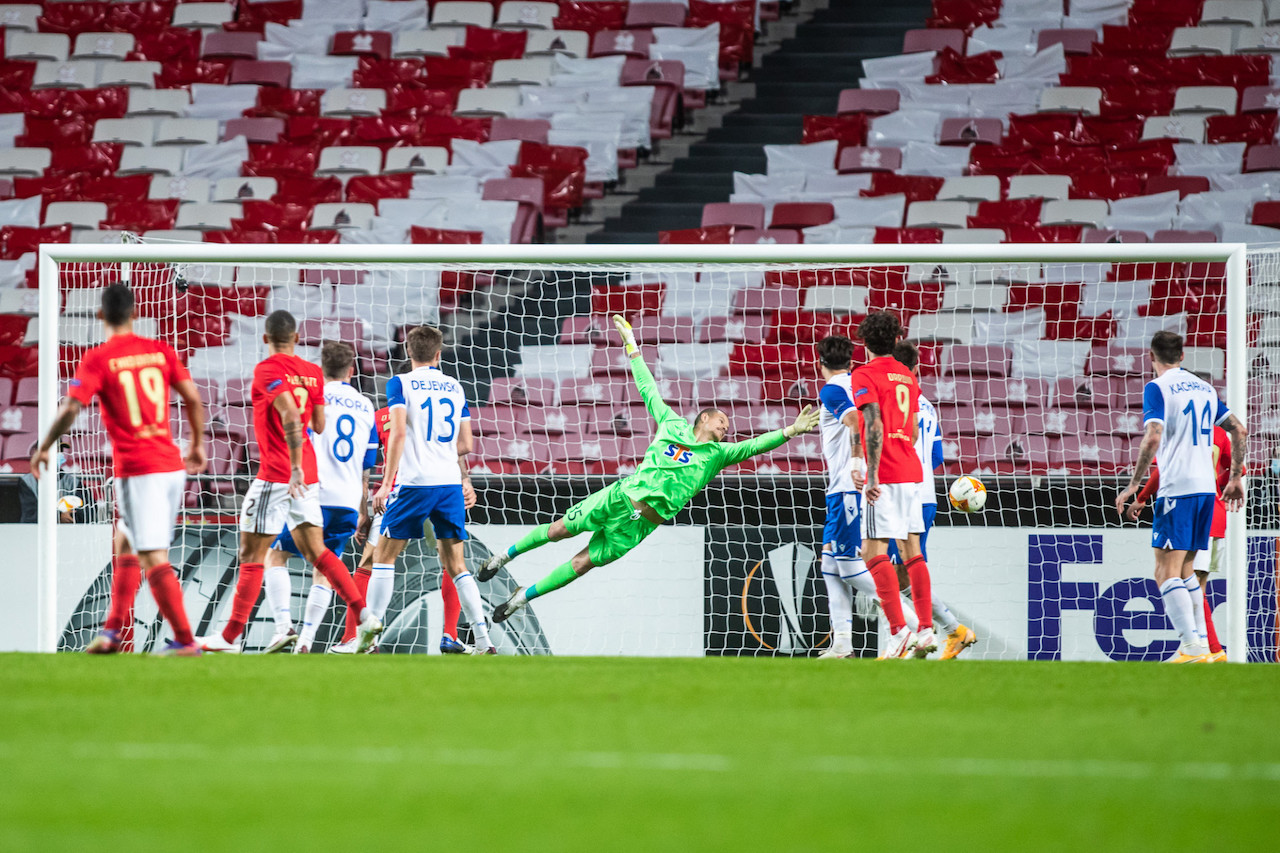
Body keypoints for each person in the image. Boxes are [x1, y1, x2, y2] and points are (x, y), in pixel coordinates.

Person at [477, 315, 820, 623]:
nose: (726, 427)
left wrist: (790, 431)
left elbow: (754, 445)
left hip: (641, 525)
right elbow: (647, 388)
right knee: (558, 531)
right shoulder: (671, 423)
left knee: (581, 564)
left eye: (727, 425)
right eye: (721, 420)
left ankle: (522, 597)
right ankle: (502, 557)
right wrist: (632, 346)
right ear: (703, 417)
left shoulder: (717, 454)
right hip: (620, 496)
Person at [31, 282, 206, 655]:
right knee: (125, 541)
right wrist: (196, 445)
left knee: (152, 554)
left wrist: (45, 446)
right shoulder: (160, 350)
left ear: (99, 315)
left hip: (139, 467)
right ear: (136, 313)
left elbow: (71, 408)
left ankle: (186, 640)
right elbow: (192, 398)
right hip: (170, 463)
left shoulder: (99, 358)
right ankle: (112, 633)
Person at [197, 311, 381, 653]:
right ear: (296, 338)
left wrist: (294, 464)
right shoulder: (313, 375)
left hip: (278, 474)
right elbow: (320, 424)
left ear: (266, 339)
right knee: (320, 554)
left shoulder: (267, 369)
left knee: (254, 553)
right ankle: (364, 616)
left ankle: (231, 638)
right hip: (314, 480)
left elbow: (292, 417)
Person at [1116, 331, 1246, 663]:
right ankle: (1204, 647)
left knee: (1164, 571)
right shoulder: (1205, 388)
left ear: (1151, 356)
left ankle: (1190, 648)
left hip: (1178, 488)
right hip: (1207, 491)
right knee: (1187, 569)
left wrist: (1133, 484)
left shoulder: (1156, 388)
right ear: (1183, 356)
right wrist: (1234, 478)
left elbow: (1153, 436)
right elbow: (1239, 430)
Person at [368, 326, 491, 653]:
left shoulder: (400, 383)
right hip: (449, 483)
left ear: (408, 352)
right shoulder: (454, 386)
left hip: (414, 483)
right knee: (457, 564)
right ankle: (482, 639)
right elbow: (466, 444)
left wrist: (384, 485)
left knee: (383, 557)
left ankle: (370, 638)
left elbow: (397, 435)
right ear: (439, 354)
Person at [255, 341, 379, 654]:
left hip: (312, 493)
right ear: (351, 370)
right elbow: (366, 467)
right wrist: (363, 509)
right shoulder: (367, 407)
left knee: (274, 554)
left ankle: (284, 627)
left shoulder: (313, 400)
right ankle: (307, 642)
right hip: (348, 501)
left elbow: (297, 439)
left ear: (321, 371)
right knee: (326, 568)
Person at [330, 404, 469, 655]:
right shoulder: (439, 404)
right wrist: (465, 481)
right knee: (452, 562)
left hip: (402, 494)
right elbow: (457, 448)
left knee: (370, 563)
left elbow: (365, 468)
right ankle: (451, 634)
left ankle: (353, 637)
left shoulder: (382, 416)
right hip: (442, 491)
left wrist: (363, 510)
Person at [850, 311, 933, 659]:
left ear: (864, 343)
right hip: (913, 472)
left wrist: (870, 475)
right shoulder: (906, 375)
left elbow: (872, 423)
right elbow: (913, 431)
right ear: (896, 340)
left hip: (885, 473)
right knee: (912, 551)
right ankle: (926, 630)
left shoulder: (864, 374)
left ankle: (899, 631)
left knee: (873, 553)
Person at [890, 340, 976, 660]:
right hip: (927, 495)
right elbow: (937, 455)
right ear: (916, 369)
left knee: (884, 570)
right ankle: (949, 631)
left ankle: (916, 635)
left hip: (902, 492)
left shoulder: (894, 400)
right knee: (903, 572)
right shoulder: (926, 404)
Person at [1129, 423, 1241, 663]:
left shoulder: (1181, 429)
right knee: (1196, 584)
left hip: (1191, 509)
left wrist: (1142, 496)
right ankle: (1206, 650)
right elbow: (1240, 467)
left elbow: (1163, 470)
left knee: (1184, 580)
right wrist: (1217, 484)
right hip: (1214, 513)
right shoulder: (1220, 434)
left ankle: (1205, 649)